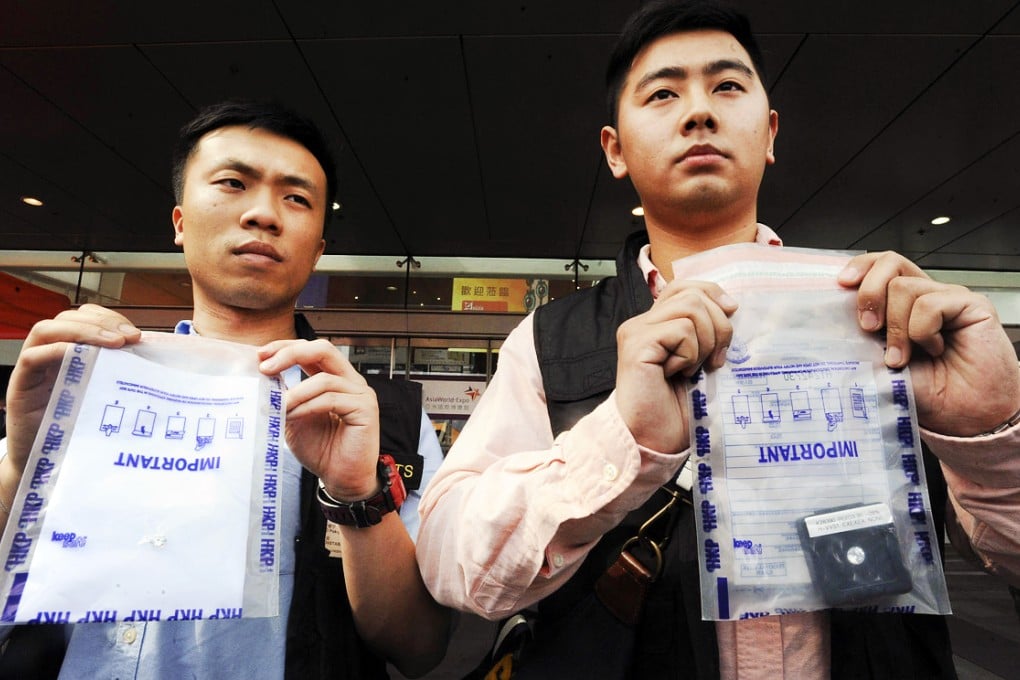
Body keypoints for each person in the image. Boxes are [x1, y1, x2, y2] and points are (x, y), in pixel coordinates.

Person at [416, 1, 1020, 677]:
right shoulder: (550, 341)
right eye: (664, 92)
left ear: (769, 132)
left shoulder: (882, 318)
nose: (699, 111)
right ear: (615, 150)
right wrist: (621, 438)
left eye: (727, 86)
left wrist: (992, 433)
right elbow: (451, 566)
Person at [0, 100, 450, 679]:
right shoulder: (85, 380)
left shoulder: (382, 417)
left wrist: (357, 495)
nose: (264, 214)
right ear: (181, 223)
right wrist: (23, 462)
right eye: (233, 183)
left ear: (317, 248)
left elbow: (419, 648)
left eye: (296, 198)